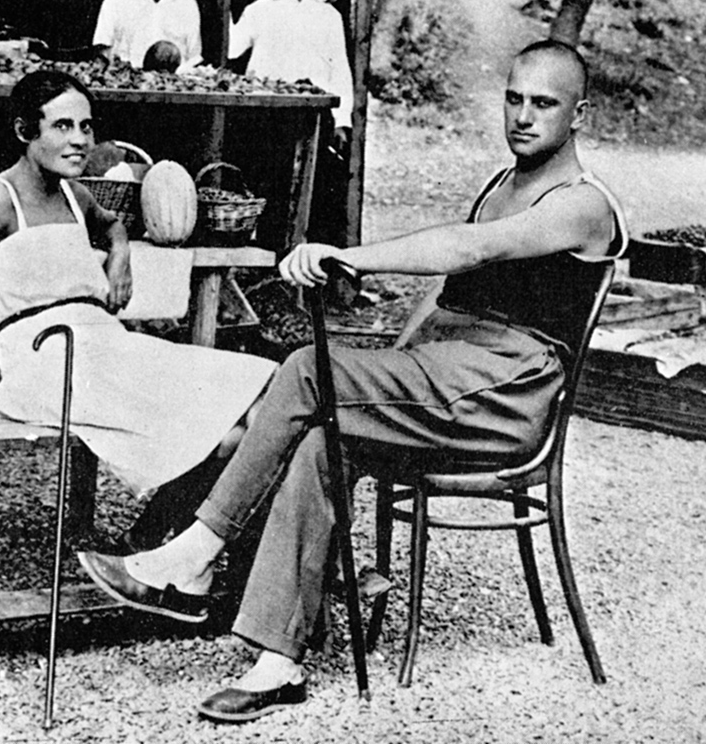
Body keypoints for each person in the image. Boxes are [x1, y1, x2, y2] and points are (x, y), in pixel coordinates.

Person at [77, 40, 629, 722]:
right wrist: (392, 359)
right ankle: (278, 662)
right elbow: (445, 295)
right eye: (513, 98)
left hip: (507, 391)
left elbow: (472, 248)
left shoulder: (584, 204)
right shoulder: (503, 184)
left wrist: (349, 257)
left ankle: (194, 553)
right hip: (452, 373)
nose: (522, 116)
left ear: (581, 113)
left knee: (307, 367)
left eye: (543, 104)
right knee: (320, 439)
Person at [0, 70, 274, 546]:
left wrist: (120, 256)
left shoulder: (77, 195)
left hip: (104, 346)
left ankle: (156, 548)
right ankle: (159, 546)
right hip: (46, 360)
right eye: (62, 126)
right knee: (225, 431)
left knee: (265, 399)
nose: (79, 140)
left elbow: (113, 223)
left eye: (86, 126)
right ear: (23, 131)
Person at [229, 0, 356, 247]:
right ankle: (267, 268)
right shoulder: (260, 10)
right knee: (267, 191)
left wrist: (341, 121)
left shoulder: (329, 16)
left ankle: (303, 270)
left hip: (312, 118)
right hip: (267, 117)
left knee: (313, 199)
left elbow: (339, 70)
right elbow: (231, 48)